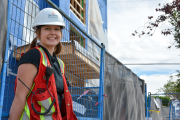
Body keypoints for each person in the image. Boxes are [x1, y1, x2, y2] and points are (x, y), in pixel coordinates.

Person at [9, 8, 77, 120]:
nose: (53, 33)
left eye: (57, 29)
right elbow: (19, 97)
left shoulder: (60, 64)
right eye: (47, 28)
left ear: (61, 33)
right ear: (38, 32)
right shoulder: (33, 56)